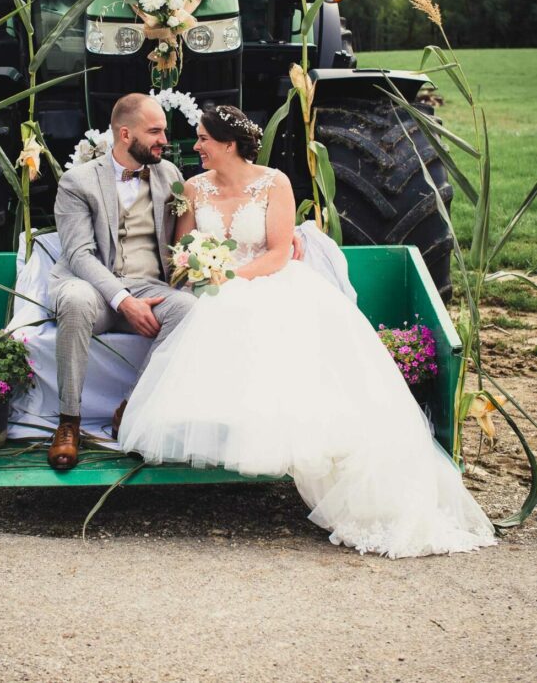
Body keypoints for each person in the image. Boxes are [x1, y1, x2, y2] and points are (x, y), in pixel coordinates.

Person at [118, 105, 497, 558]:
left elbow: (279, 252)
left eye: (202, 139)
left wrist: (232, 278)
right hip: (212, 285)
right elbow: (182, 245)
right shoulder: (193, 188)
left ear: (229, 144)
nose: (194, 146)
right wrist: (198, 265)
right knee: (212, 318)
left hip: (263, 280)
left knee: (256, 319)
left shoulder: (273, 182)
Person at [46, 93, 196, 470]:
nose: (164, 138)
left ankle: (131, 408)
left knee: (190, 309)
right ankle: (69, 422)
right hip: (94, 286)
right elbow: (79, 255)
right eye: (156, 131)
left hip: (149, 285)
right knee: (77, 300)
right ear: (126, 134)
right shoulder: (77, 181)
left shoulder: (170, 175)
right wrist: (123, 300)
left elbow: (188, 233)